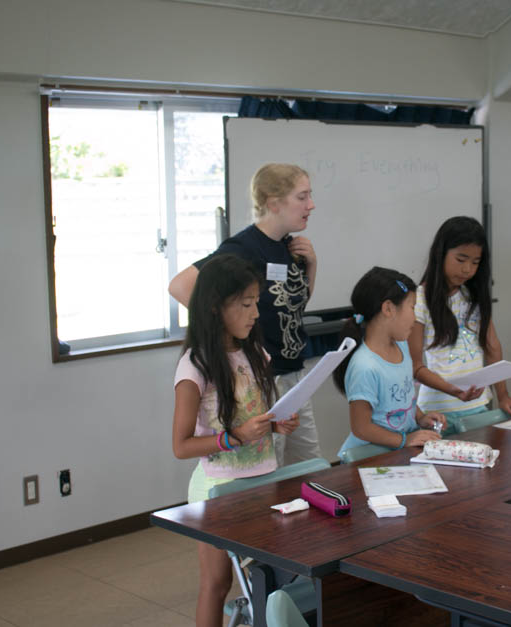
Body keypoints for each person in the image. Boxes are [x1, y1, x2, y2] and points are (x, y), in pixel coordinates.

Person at [170, 254, 299, 627]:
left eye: (256, 301)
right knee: (217, 581)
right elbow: (181, 446)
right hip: (218, 489)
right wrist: (234, 438)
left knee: (269, 577)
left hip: (263, 481)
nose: (255, 313)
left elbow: (254, 415)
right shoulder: (195, 366)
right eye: (245, 304)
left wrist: (275, 426)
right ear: (214, 307)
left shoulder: (255, 353)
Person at [169, 163, 321, 466]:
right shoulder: (242, 248)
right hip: (265, 375)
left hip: (294, 373)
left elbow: (291, 307)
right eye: (302, 197)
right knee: (269, 465)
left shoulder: (291, 246)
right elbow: (181, 286)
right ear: (274, 203)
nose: (311, 205)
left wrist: (312, 265)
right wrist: (233, 338)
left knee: (309, 465)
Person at [409, 217, 511, 433]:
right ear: (441, 253)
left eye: (475, 262)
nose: (467, 269)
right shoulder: (419, 300)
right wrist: (454, 390)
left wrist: (502, 396)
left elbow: (492, 348)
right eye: (461, 259)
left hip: (478, 407)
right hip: (438, 412)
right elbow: (415, 366)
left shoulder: (473, 296)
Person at [333, 267, 446, 459]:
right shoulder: (364, 366)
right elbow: (361, 428)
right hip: (369, 457)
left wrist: (420, 418)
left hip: (399, 451)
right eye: (412, 307)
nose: (415, 317)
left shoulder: (402, 346)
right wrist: (405, 440)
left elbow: (405, 397)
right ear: (388, 309)